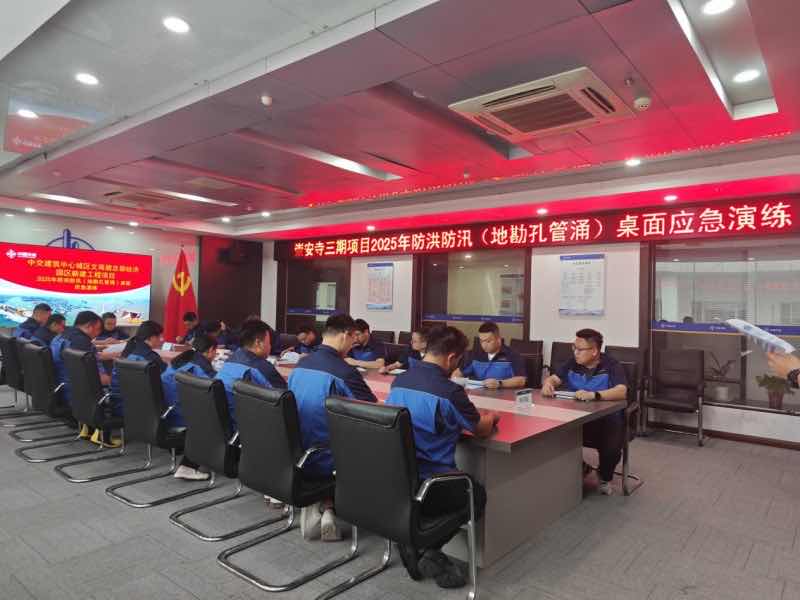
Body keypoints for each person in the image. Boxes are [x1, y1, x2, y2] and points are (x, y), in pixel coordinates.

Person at [386, 325, 497, 588]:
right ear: (451, 358)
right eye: (458, 360)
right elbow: (480, 430)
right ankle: (426, 546)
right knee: (476, 495)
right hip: (432, 482)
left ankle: (415, 541)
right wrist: (492, 417)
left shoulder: (399, 381)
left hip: (396, 478)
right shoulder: (449, 391)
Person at [288, 314, 377, 542]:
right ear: (345, 335)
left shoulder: (300, 365)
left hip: (298, 451)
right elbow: (373, 411)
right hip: (329, 456)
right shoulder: (343, 371)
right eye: (353, 339)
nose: (354, 344)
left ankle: (325, 506)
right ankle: (331, 507)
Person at [541, 328, 627, 495]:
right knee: (550, 434)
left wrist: (594, 395)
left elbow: (621, 391)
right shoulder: (572, 363)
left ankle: (604, 476)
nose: (575, 352)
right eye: (574, 348)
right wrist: (548, 383)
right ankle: (582, 467)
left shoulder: (611, 365)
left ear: (594, 351)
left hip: (606, 420)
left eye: (580, 349)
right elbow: (554, 378)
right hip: (575, 417)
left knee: (611, 448)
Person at [161, 334, 218, 480]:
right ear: (210, 350)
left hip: (168, 412)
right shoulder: (201, 366)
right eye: (215, 352)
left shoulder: (182, 359)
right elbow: (217, 387)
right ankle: (188, 466)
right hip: (182, 416)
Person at [215, 320, 286, 429]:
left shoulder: (230, 360)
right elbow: (286, 403)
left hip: (225, 425)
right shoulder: (262, 368)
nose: (270, 346)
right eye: (269, 342)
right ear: (258, 343)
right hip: (250, 428)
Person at [109, 321, 167, 418]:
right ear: (151, 337)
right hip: (139, 409)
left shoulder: (129, 349)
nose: (162, 339)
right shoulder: (151, 358)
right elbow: (165, 380)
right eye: (159, 336)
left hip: (118, 405)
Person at [452, 321, 526, 389]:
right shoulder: (474, 354)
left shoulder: (512, 355)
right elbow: (457, 374)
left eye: (488, 341)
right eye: (481, 341)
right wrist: (457, 381)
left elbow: (521, 380)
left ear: (498, 339)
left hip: (503, 395)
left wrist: (500, 383)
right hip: (479, 394)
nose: (484, 345)